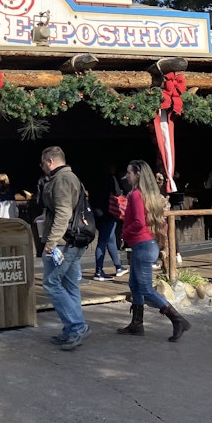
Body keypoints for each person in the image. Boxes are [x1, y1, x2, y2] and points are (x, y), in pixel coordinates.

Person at [116, 159, 191, 342]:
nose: (127, 176)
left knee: (145, 288)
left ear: (138, 174)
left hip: (141, 244)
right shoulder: (150, 195)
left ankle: (177, 319)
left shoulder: (135, 195)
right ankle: (137, 323)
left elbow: (139, 222)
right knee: (135, 285)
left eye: (129, 172)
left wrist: (125, 232)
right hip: (146, 244)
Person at [39, 146, 90, 351]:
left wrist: (50, 244)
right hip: (75, 239)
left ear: (50, 161)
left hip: (63, 242)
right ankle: (73, 328)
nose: (42, 167)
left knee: (51, 283)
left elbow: (62, 213)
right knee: (69, 285)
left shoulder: (60, 180)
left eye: (42, 163)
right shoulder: (71, 177)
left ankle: (76, 326)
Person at [92, 166, 128, 280]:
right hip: (108, 212)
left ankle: (118, 267)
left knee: (110, 239)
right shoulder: (110, 178)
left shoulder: (93, 178)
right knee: (103, 241)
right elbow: (117, 192)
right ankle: (98, 271)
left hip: (96, 212)